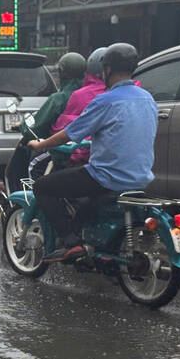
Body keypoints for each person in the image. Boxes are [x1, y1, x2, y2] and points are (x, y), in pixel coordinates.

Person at [28, 43, 157, 263]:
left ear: (107, 69)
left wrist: (41, 145)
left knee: (43, 187)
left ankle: (71, 242)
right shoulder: (147, 98)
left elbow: (70, 133)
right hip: (141, 177)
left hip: (106, 178)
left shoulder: (105, 100)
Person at [4, 52, 86, 193]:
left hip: (63, 148)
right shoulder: (92, 94)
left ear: (62, 73)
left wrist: (24, 127)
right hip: (86, 148)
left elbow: (38, 126)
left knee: (34, 167)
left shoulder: (60, 98)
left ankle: (36, 200)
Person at [50, 47, 108, 165]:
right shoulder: (140, 97)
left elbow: (67, 130)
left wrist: (42, 144)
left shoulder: (81, 95)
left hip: (88, 160)